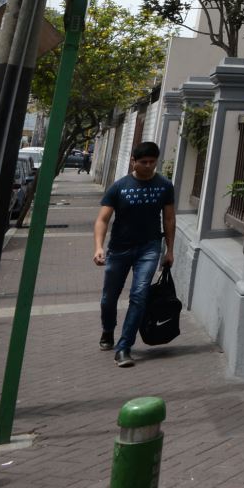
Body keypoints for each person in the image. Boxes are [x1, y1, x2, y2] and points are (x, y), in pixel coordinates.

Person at [93, 140, 175, 367]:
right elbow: (102, 219)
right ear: (133, 161)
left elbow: (168, 218)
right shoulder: (119, 187)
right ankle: (108, 330)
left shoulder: (165, 186)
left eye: (152, 162)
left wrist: (169, 249)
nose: (148, 166)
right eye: (144, 162)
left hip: (149, 248)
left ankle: (124, 347)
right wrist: (99, 247)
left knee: (139, 296)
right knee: (109, 298)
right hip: (119, 249)